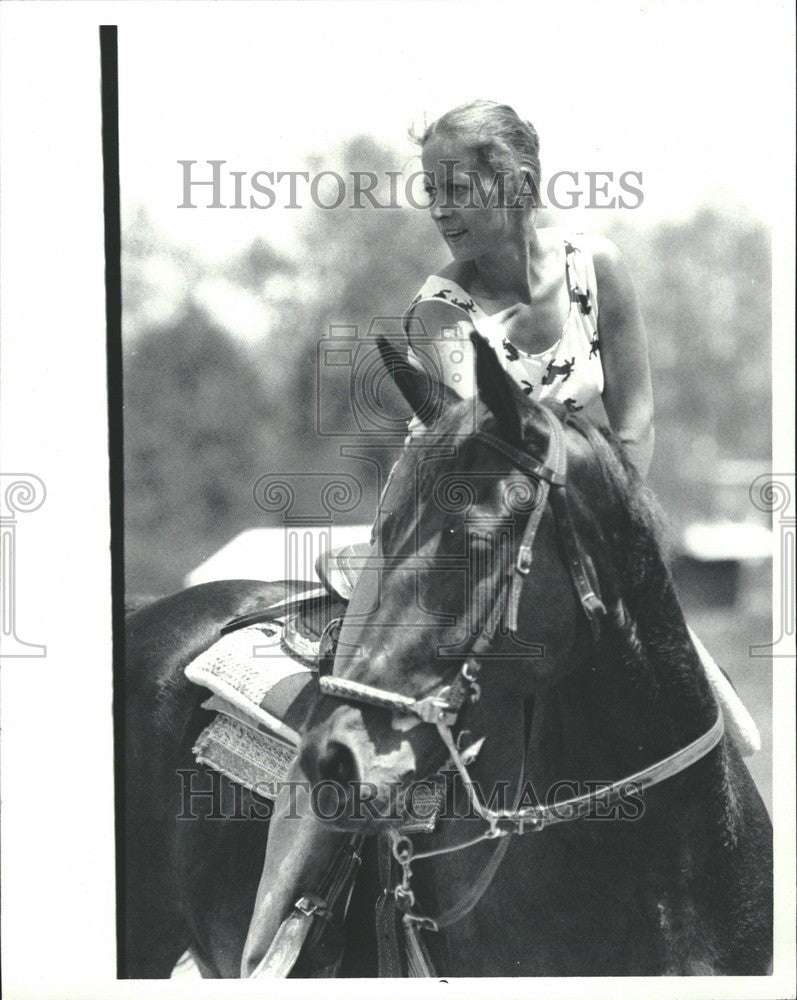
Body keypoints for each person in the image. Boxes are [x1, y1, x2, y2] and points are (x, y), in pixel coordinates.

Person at [399, 99, 758, 757]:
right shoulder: (437, 314)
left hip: (584, 502)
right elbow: (495, 448)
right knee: (379, 697)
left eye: (457, 188)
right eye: (431, 190)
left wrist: (608, 522)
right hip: (464, 515)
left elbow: (634, 417)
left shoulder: (597, 269)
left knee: (730, 730)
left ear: (520, 187)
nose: (439, 208)